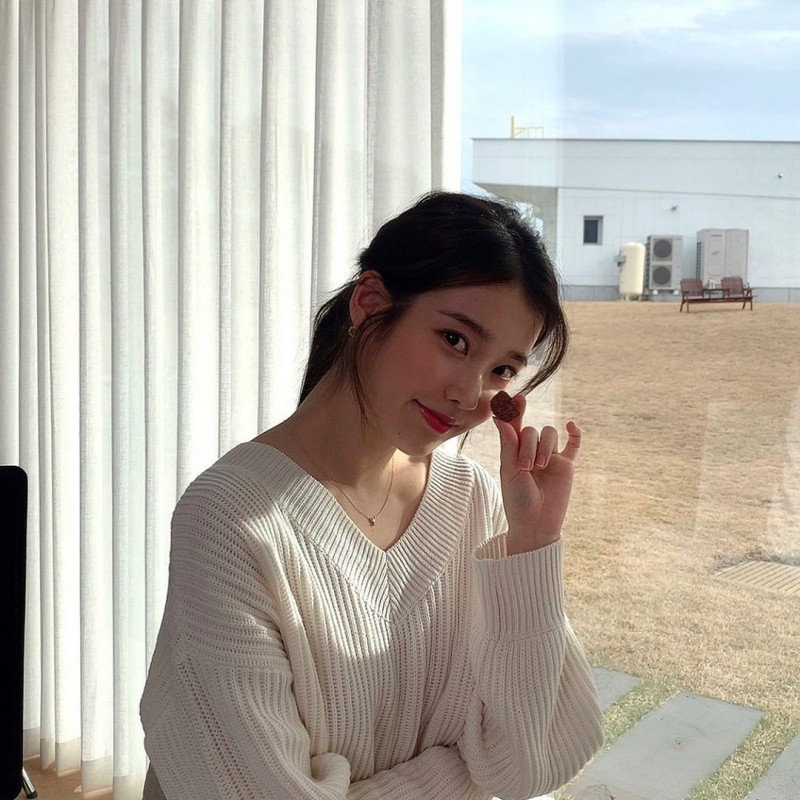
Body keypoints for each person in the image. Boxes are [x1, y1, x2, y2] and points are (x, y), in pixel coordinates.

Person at [139, 191, 604, 800]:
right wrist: (460, 774)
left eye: (502, 371)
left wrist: (532, 547)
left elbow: (530, 761)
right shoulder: (229, 519)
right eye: (455, 339)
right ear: (370, 302)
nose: (470, 394)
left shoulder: (473, 501)